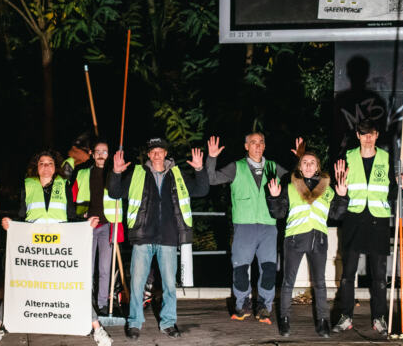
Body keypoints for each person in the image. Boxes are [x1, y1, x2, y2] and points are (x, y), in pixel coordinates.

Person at [0, 150, 113, 346]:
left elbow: (71, 215)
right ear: (36, 167)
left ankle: (97, 329)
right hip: (34, 250)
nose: (46, 166)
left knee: (74, 290)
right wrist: (10, 223)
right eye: (42, 163)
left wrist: (86, 224)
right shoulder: (27, 185)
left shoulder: (63, 184)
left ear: (55, 167)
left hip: (60, 249)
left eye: (49, 163)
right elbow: (22, 216)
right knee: (19, 289)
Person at [108, 138, 209, 340]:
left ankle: (168, 323)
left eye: (160, 151)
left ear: (165, 153)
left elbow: (201, 190)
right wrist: (116, 173)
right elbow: (115, 192)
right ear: (148, 154)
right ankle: (134, 323)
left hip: (168, 238)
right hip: (143, 237)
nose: (156, 154)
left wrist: (200, 170)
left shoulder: (177, 173)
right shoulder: (137, 173)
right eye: (152, 151)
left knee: (169, 285)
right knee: (137, 284)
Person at [205, 133, 298, 323]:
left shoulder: (274, 167)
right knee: (240, 268)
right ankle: (242, 305)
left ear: (265, 146)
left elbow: (296, 180)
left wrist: (300, 159)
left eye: (261, 142)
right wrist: (212, 157)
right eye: (253, 142)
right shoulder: (236, 167)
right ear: (246, 146)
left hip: (268, 226)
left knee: (269, 269)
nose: (258, 146)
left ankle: (264, 307)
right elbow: (212, 179)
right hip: (244, 226)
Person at [332, 120, 403, 336]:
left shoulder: (386, 158)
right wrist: (341, 192)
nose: (367, 137)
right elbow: (340, 189)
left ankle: (380, 318)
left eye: (371, 134)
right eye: (363, 134)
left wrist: (400, 183)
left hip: (378, 221)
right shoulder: (347, 157)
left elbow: (392, 192)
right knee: (348, 274)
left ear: (376, 135)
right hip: (354, 219)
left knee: (379, 277)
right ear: (358, 135)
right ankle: (345, 317)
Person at [266, 150, 349, 337]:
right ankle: (285, 321)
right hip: (294, 239)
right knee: (288, 282)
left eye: (312, 162)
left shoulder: (327, 189)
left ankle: (322, 322)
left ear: (318, 167)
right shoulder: (290, 186)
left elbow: (337, 215)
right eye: (305, 162)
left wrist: (342, 196)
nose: (309, 165)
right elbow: (278, 213)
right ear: (300, 167)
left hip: (318, 240)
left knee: (320, 283)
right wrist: (274, 197)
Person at [73, 139, 122, 314]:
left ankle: (101, 303)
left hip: (108, 226)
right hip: (88, 227)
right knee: (87, 267)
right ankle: (85, 302)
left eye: (105, 151)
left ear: (109, 155)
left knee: (104, 268)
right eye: (98, 151)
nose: (101, 154)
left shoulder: (114, 173)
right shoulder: (82, 173)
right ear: (92, 154)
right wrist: (82, 214)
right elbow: (75, 200)